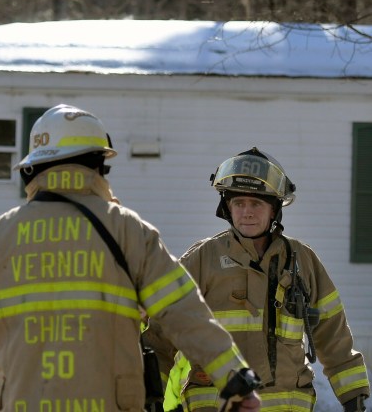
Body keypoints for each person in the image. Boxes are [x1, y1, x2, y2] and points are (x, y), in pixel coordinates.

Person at [0, 104, 262, 412]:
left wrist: (23, 362)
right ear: (98, 165)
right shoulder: (128, 230)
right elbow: (184, 312)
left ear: (33, 169)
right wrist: (235, 377)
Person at [152, 147, 370, 412]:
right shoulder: (201, 260)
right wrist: (150, 395)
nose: (247, 212)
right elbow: (160, 335)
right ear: (227, 208)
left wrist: (353, 397)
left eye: (256, 203)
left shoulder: (302, 260)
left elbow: (333, 334)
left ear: (274, 209)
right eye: (238, 203)